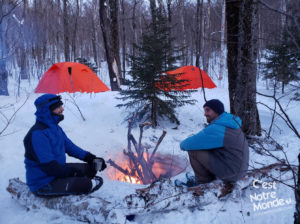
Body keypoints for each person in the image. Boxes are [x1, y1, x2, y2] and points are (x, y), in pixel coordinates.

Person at [24, 94, 107, 197]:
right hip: (43, 182)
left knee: (90, 168)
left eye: (61, 106)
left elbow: (71, 148)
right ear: (47, 110)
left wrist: (91, 158)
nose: (62, 109)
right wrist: (73, 173)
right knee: (86, 184)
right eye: (58, 107)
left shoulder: (55, 128)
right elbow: (50, 167)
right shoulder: (38, 135)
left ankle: (74, 183)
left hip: (56, 172)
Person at [180, 99, 249, 187]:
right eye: (205, 110)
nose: (205, 114)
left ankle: (203, 182)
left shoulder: (218, 128)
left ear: (217, 111)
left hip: (232, 173)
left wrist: (182, 144)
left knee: (193, 150)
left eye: (208, 110)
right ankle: (210, 176)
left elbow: (187, 144)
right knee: (206, 147)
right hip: (239, 170)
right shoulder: (229, 122)